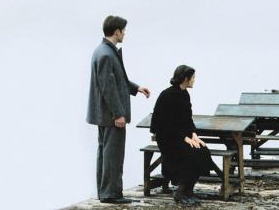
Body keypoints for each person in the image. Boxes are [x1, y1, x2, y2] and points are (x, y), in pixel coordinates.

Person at [87, 15, 151, 204]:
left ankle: (105, 192)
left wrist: (136, 88)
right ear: (117, 31)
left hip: (103, 114)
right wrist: (118, 114)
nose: (125, 34)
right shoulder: (106, 54)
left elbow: (116, 79)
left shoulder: (102, 51)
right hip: (111, 115)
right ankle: (111, 194)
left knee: (105, 154)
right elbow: (108, 86)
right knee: (113, 155)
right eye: (124, 31)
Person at [150, 65, 217, 205]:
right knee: (190, 154)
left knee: (202, 151)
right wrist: (184, 137)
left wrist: (193, 135)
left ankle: (188, 190)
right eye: (192, 78)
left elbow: (187, 119)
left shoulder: (185, 94)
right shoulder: (167, 95)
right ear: (186, 79)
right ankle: (180, 191)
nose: (194, 81)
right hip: (167, 138)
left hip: (181, 136)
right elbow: (164, 123)